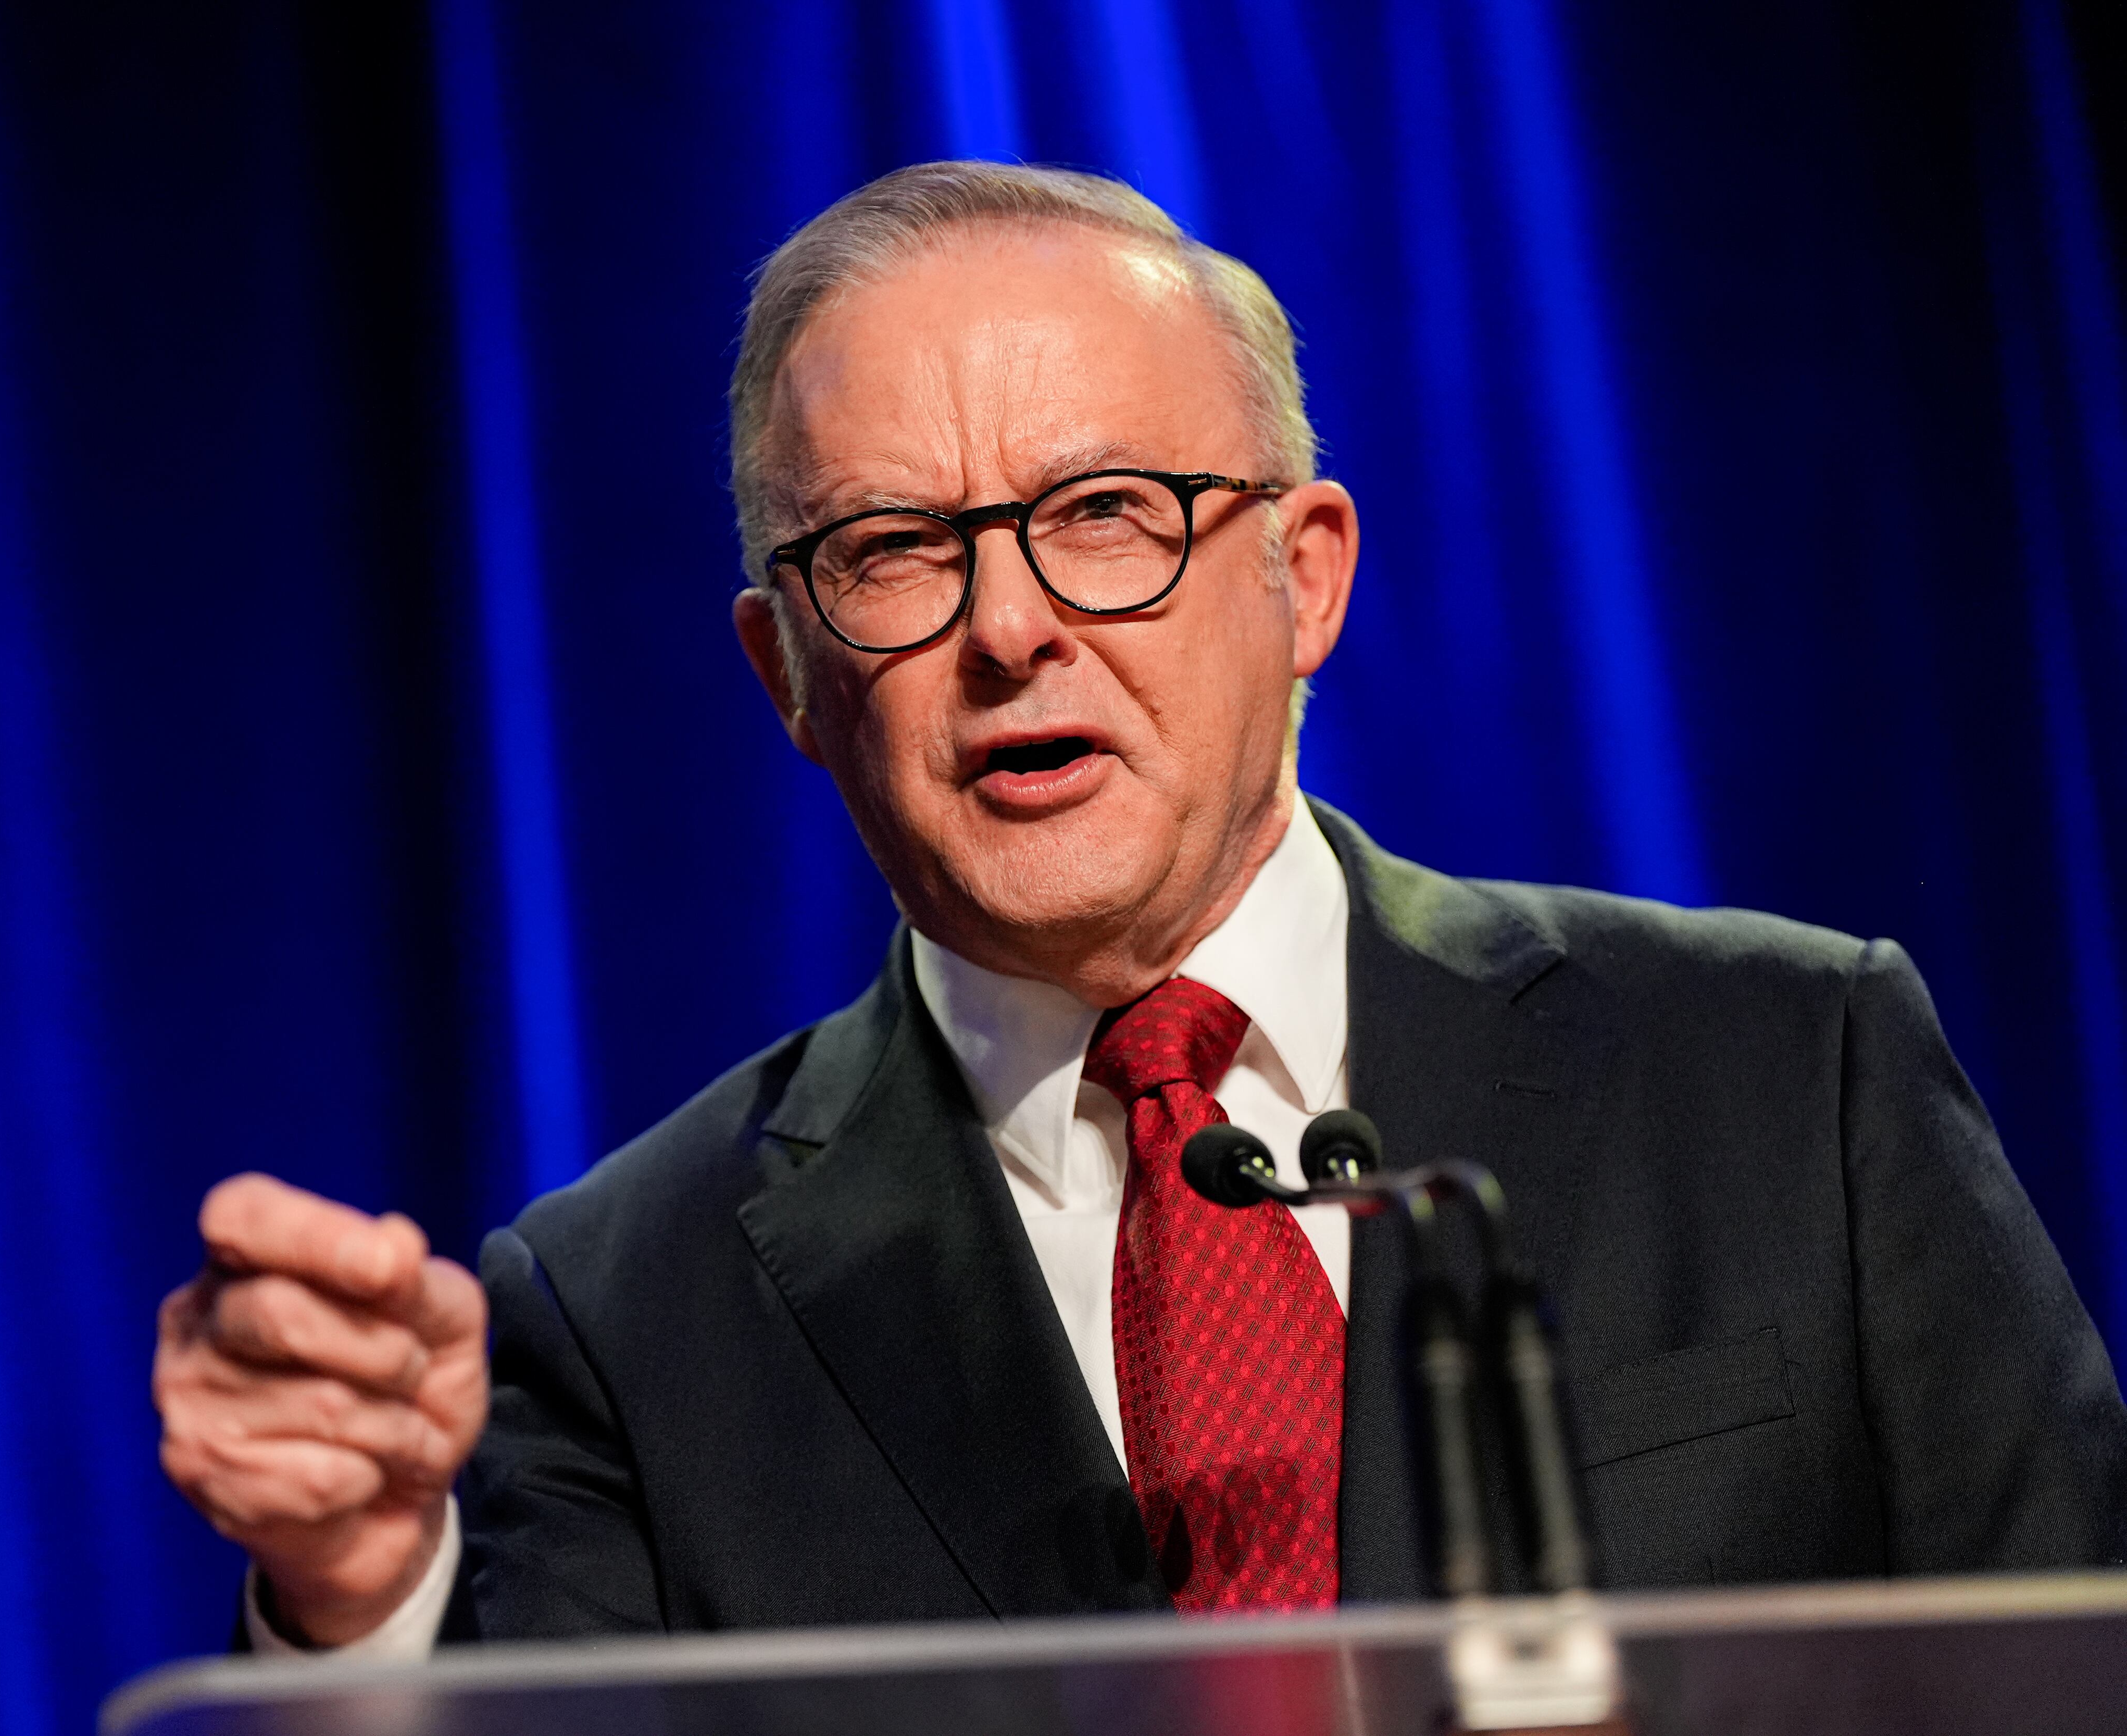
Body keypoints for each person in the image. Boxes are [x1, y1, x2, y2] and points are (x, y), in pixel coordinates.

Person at [152, 161, 2127, 1656]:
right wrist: (361, 1597)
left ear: (1304, 578)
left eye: (1106, 516)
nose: (1011, 628)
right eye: (894, 549)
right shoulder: (620, 1312)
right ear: (788, 674)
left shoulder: (1789, 1074)